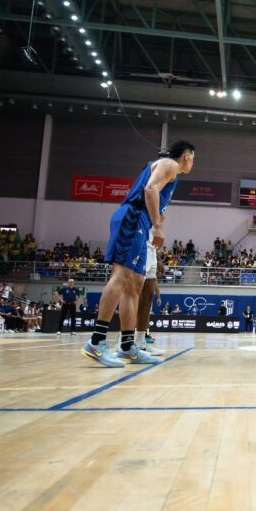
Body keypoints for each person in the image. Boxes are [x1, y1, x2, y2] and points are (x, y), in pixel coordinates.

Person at [81, 140, 195, 367]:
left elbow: (154, 196)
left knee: (135, 285)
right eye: (193, 158)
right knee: (122, 277)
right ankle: (96, 341)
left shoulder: (171, 175)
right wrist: (158, 226)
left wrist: (159, 216)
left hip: (140, 223)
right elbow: (149, 189)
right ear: (186, 156)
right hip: (133, 219)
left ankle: (127, 346)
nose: (193, 163)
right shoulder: (170, 165)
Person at [135, 228, 165, 357]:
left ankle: (140, 342)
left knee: (147, 299)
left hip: (151, 250)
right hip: (139, 245)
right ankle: (124, 341)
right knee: (133, 296)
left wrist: (158, 259)